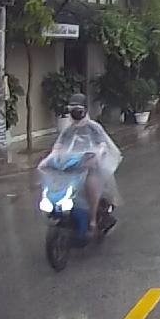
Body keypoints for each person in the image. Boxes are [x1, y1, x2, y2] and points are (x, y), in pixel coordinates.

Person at [42, 94, 121, 232]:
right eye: (72, 109)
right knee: (54, 179)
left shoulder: (93, 127)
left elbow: (102, 144)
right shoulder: (68, 130)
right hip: (73, 165)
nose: (75, 113)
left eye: (78, 109)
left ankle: (92, 219)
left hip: (90, 166)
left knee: (91, 182)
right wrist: (50, 158)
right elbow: (58, 146)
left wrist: (97, 155)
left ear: (85, 110)